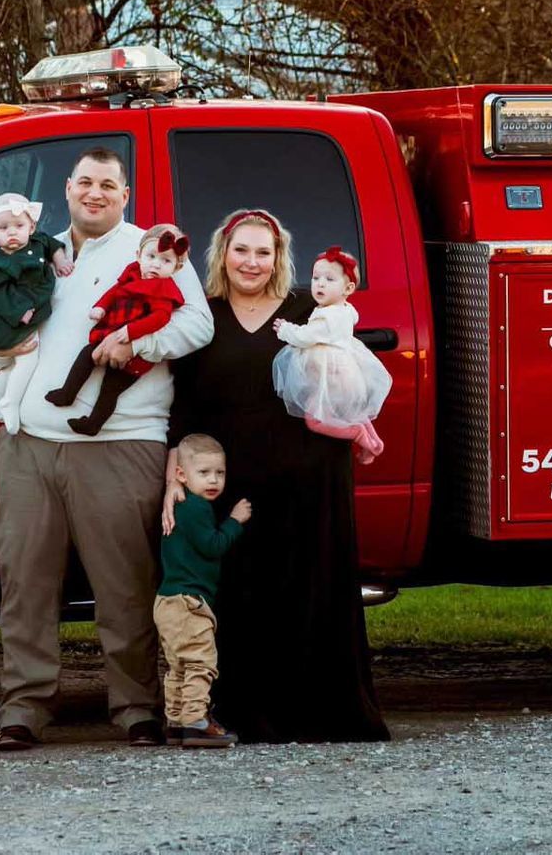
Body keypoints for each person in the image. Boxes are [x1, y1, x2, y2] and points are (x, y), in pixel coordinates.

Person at [0, 148, 213, 751]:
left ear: (125, 195)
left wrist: (135, 339)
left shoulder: (153, 248)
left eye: (109, 184)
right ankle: (23, 707)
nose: (95, 193)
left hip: (119, 443)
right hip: (27, 443)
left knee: (124, 586)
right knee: (25, 582)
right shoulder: (34, 249)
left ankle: (136, 707)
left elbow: (197, 325)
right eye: (85, 182)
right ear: (68, 188)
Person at [165, 209, 389, 744]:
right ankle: (243, 712)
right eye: (241, 250)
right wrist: (175, 474)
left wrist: (356, 426)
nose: (252, 262)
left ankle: (317, 713)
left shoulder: (309, 310)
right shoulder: (201, 316)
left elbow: (348, 374)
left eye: (263, 252)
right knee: (240, 590)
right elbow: (182, 404)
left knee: (306, 585)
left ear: (279, 257)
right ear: (222, 254)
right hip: (229, 481)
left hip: (308, 475)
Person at [155, 433, 252, 748]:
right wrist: (235, 521)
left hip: (167, 600)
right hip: (188, 602)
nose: (213, 480)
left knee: (178, 665)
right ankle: (196, 720)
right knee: (200, 662)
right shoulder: (195, 507)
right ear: (181, 475)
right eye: (204, 472)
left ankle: (175, 721)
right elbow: (212, 546)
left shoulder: (181, 503)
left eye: (219, 473)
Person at [46, 224, 190, 435]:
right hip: (111, 332)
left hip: (136, 352)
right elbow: (115, 292)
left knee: (110, 388)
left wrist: (132, 332)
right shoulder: (132, 274)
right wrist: (101, 307)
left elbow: (160, 318)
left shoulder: (164, 288)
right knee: (87, 354)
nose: (156, 264)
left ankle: (93, 424)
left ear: (176, 268)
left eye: (166, 261)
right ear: (139, 255)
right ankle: (67, 393)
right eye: (151, 256)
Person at [272, 245, 391, 465]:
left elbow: (304, 337)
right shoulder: (346, 309)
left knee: (315, 420)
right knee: (351, 413)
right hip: (347, 375)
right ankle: (373, 442)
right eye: (316, 278)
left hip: (331, 379)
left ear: (348, 288)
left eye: (329, 279)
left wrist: (285, 329)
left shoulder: (326, 318)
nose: (320, 284)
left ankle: (358, 434)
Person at [0, 195, 73, 425]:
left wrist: (60, 260)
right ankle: (10, 402)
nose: (12, 233)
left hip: (30, 308)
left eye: (19, 226)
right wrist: (20, 313)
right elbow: (0, 294)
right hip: (8, 318)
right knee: (27, 358)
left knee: (17, 363)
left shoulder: (38, 241)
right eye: (3, 228)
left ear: (32, 227)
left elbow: (52, 245)